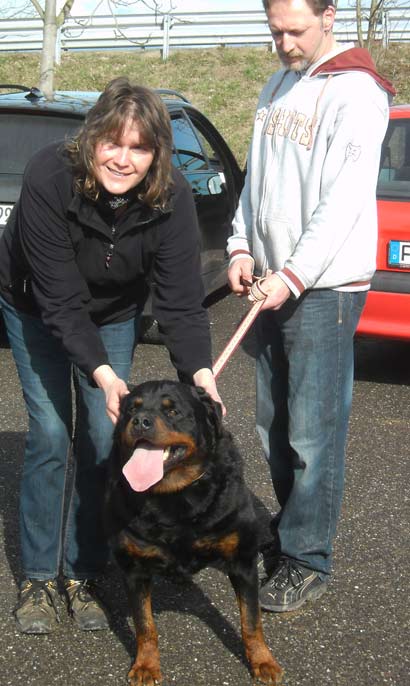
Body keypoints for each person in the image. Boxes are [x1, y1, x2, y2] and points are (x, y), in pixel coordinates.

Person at [0, 77, 222, 634]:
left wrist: (201, 375)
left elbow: (181, 302)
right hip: (35, 305)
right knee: (52, 434)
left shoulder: (172, 197)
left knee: (105, 437)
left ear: (157, 153)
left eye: (139, 148)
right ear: (91, 138)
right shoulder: (50, 176)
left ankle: (84, 570)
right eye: (112, 143)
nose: (123, 160)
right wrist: (103, 374)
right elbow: (59, 300)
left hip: (116, 311)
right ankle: (38, 577)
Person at [227, 0, 395, 613]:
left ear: (329, 15)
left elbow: (344, 199)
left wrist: (294, 275)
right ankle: (289, 532)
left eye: (295, 30)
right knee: (273, 426)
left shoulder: (357, 94)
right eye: (275, 31)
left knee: (312, 434)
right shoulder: (278, 85)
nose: (285, 43)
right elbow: (257, 181)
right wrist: (241, 244)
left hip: (323, 289)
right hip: (270, 281)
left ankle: (307, 558)